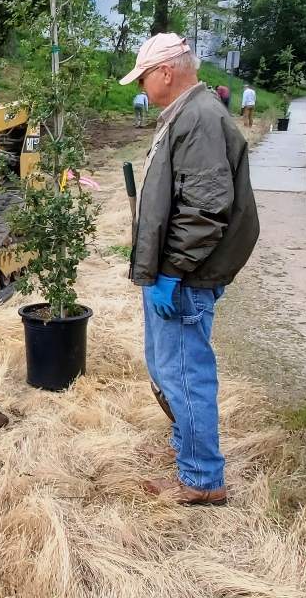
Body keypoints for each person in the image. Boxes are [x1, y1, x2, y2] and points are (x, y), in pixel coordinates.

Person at [119, 34, 260, 506]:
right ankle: (188, 450)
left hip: (185, 276)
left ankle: (202, 479)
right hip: (177, 273)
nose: (140, 87)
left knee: (184, 372)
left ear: (165, 71)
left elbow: (204, 207)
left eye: (142, 77)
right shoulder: (188, 112)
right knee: (168, 366)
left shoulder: (198, 118)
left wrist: (172, 271)